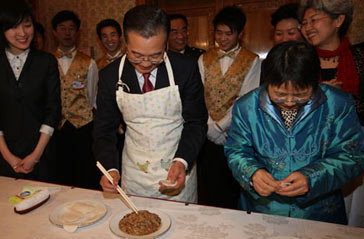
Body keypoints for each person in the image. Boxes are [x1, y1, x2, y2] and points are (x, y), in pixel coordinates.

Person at [225, 41, 364, 225]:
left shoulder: (338, 104)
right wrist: (253, 173)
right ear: (268, 82)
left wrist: (312, 178)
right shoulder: (247, 106)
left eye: (300, 95)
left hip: (318, 213)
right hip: (262, 209)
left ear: (315, 82)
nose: (289, 102)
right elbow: (236, 150)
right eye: (280, 94)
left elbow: (352, 156)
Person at [93, 5, 208, 203]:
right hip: (135, 171)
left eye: (156, 55)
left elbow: (196, 122)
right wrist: (110, 168)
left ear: (166, 44)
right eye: (136, 55)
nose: (145, 63)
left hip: (177, 166)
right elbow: (104, 129)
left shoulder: (185, 69)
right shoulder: (110, 75)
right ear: (125, 44)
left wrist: (182, 161)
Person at [299, 0, 364, 227]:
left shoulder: (360, 56)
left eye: (314, 20)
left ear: (338, 20)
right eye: (304, 23)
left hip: (355, 147)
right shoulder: (301, 60)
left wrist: (342, 100)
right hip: (310, 148)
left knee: (355, 216)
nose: (307, 28)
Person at [0, 0, 61, 182]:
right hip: (5, 158)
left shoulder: (46, 61)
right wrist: (9, 157)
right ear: (1, 29)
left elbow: (53, 110)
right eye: (13, 27)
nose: (23, 33)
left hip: (43, 156)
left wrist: (35, 155)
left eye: (27, 25)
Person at [197, 6, 261, 208]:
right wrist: (208, 125)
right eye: (219, 33)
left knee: (233, 187)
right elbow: (199, 94)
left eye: (228, 34)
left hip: (235, 134)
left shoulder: (252, 60)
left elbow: (246, 99)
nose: (223, 38)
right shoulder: (203, 58)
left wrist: (219, 127)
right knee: (209, 186)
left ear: (240, 34)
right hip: (206, 134)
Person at [51, 10, 100, 189]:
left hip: (83, 126)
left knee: (85, 173)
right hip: (57, 126)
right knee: (61, 173)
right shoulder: (46, 61)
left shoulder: (89, 62)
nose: (67, 33)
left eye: (71, 28)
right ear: (54, 32)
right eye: (62, 28)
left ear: (77, 32)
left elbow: (92, 96)